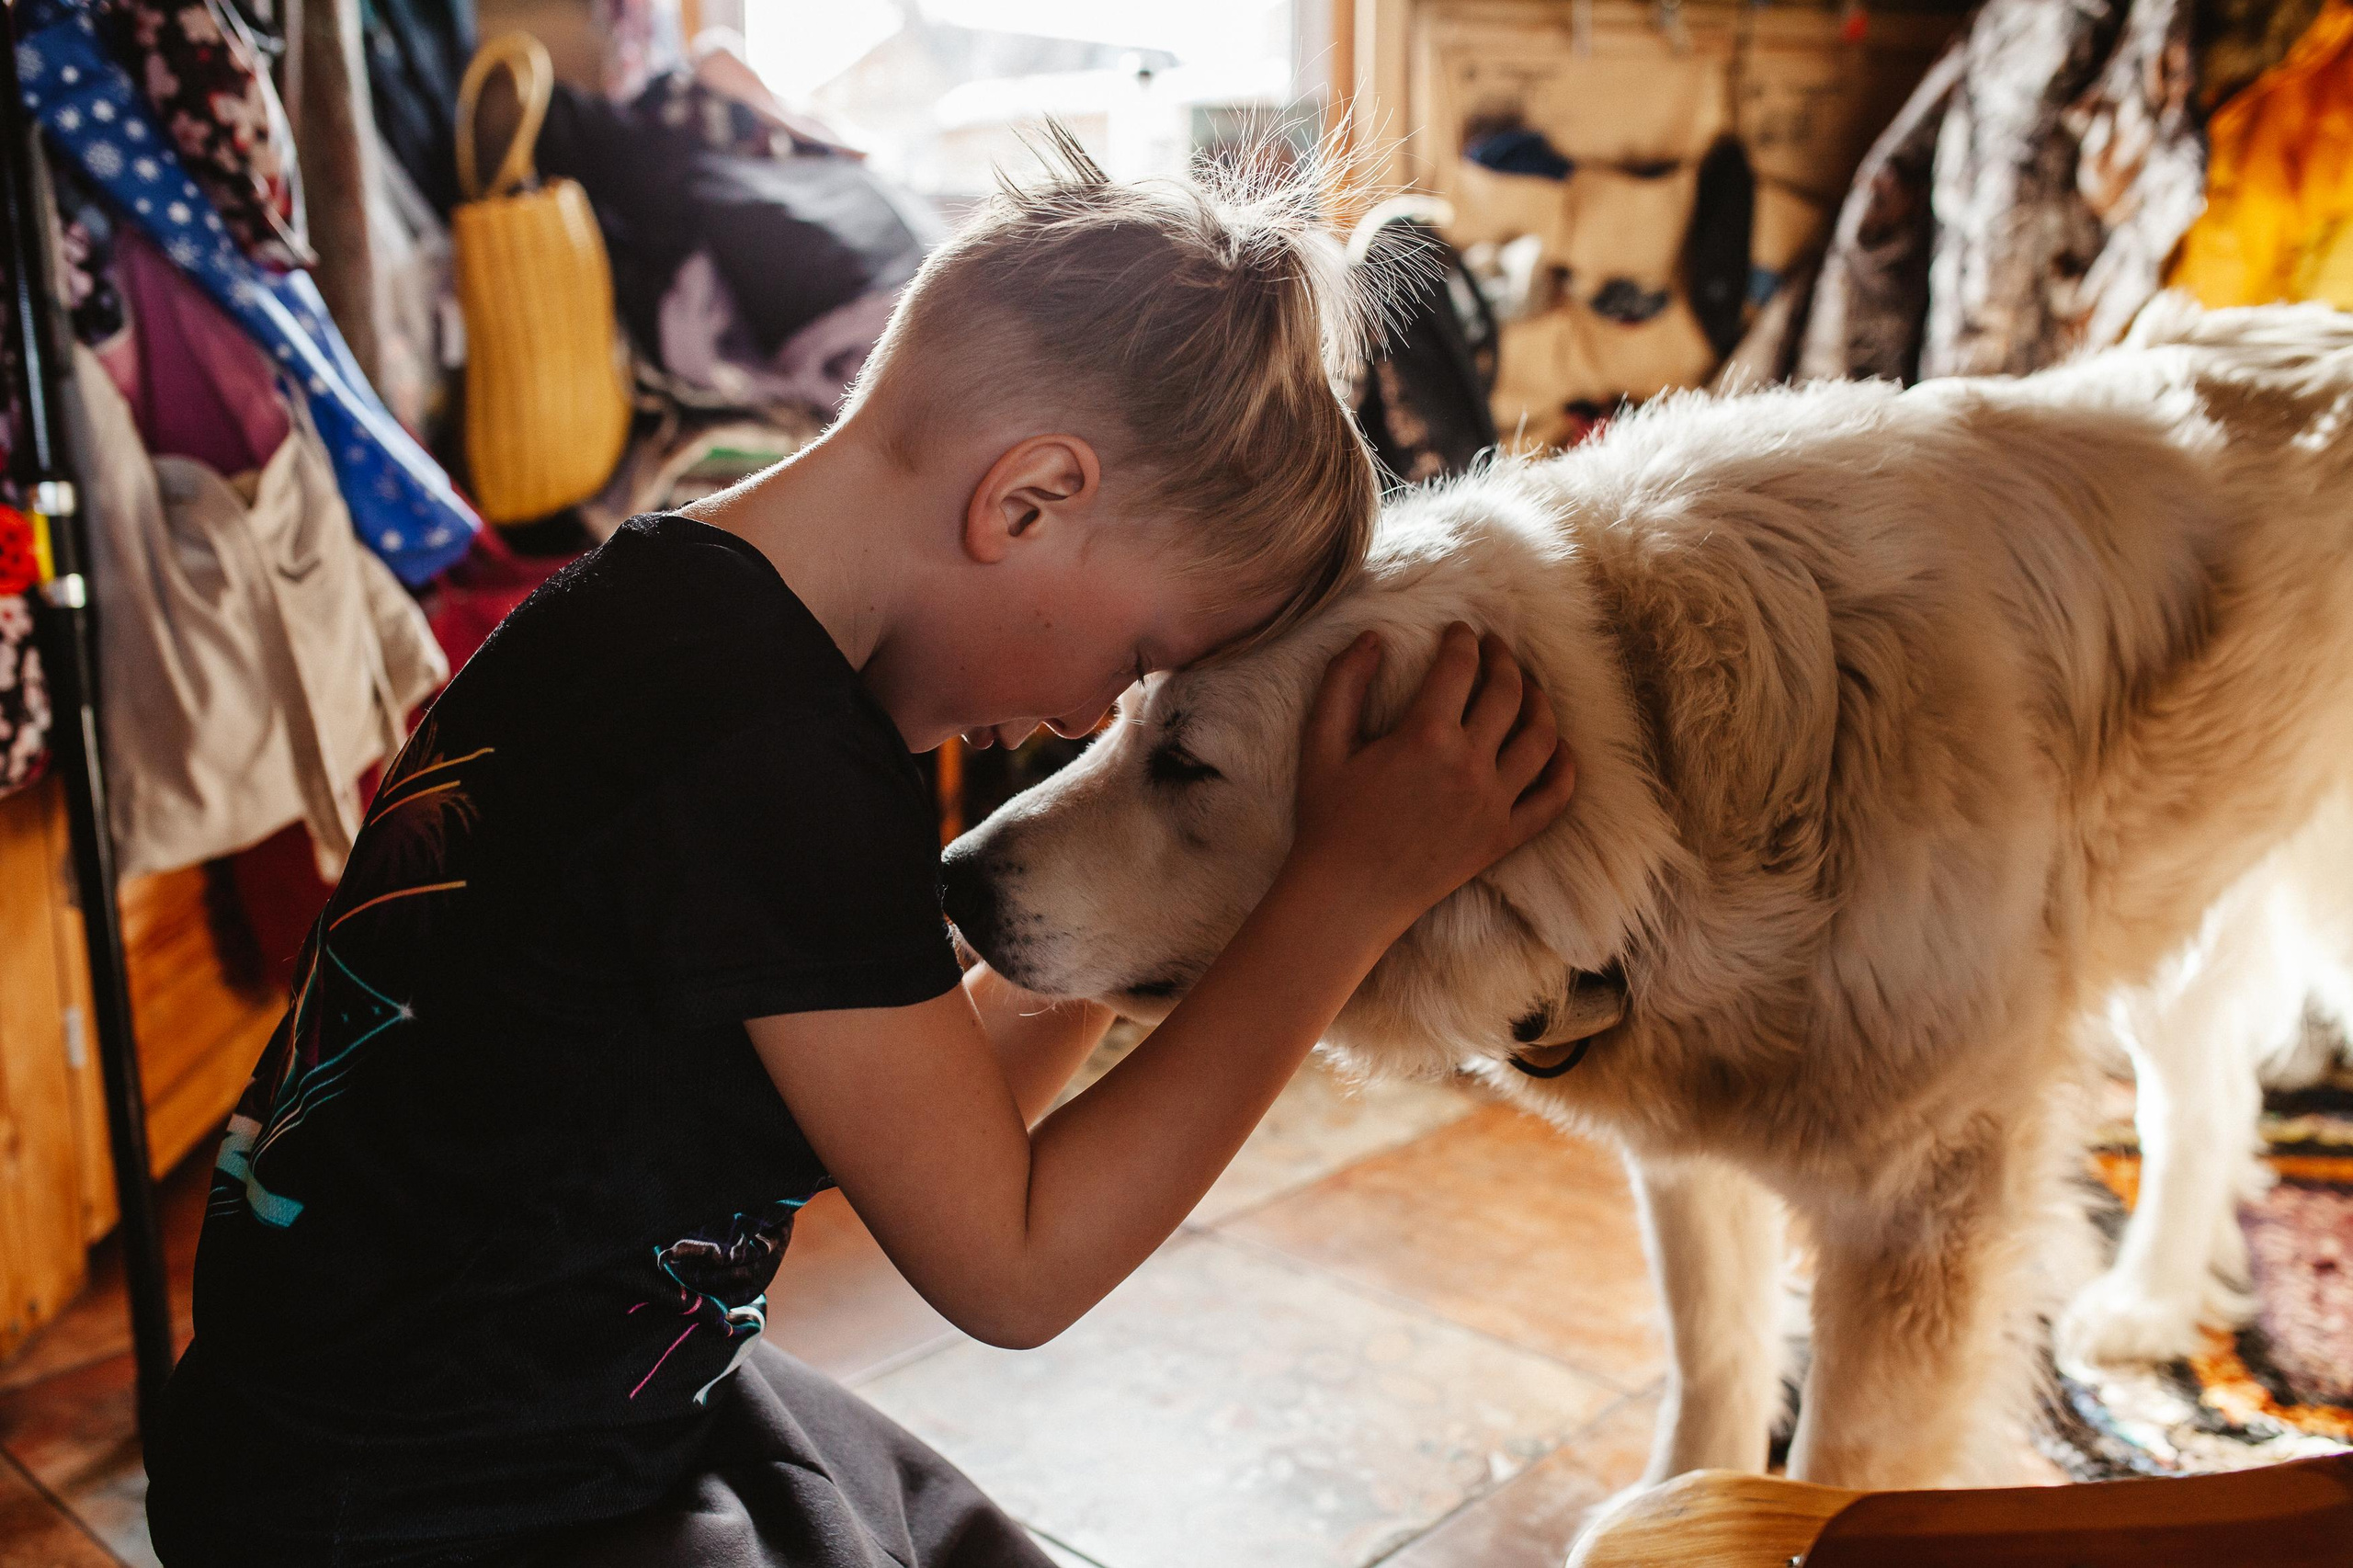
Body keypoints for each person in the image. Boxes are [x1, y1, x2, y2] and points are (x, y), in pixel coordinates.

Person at [145, 126, 1576, 1567]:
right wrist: (1339, 894)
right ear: (1029, 499)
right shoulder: (766, 760)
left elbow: (933, 1126)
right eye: (1134, 658)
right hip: (419, 1502)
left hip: (488, 1399)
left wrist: (1143, 903)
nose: (1088, 710)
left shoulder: (681, 621)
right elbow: (1013, 1265)